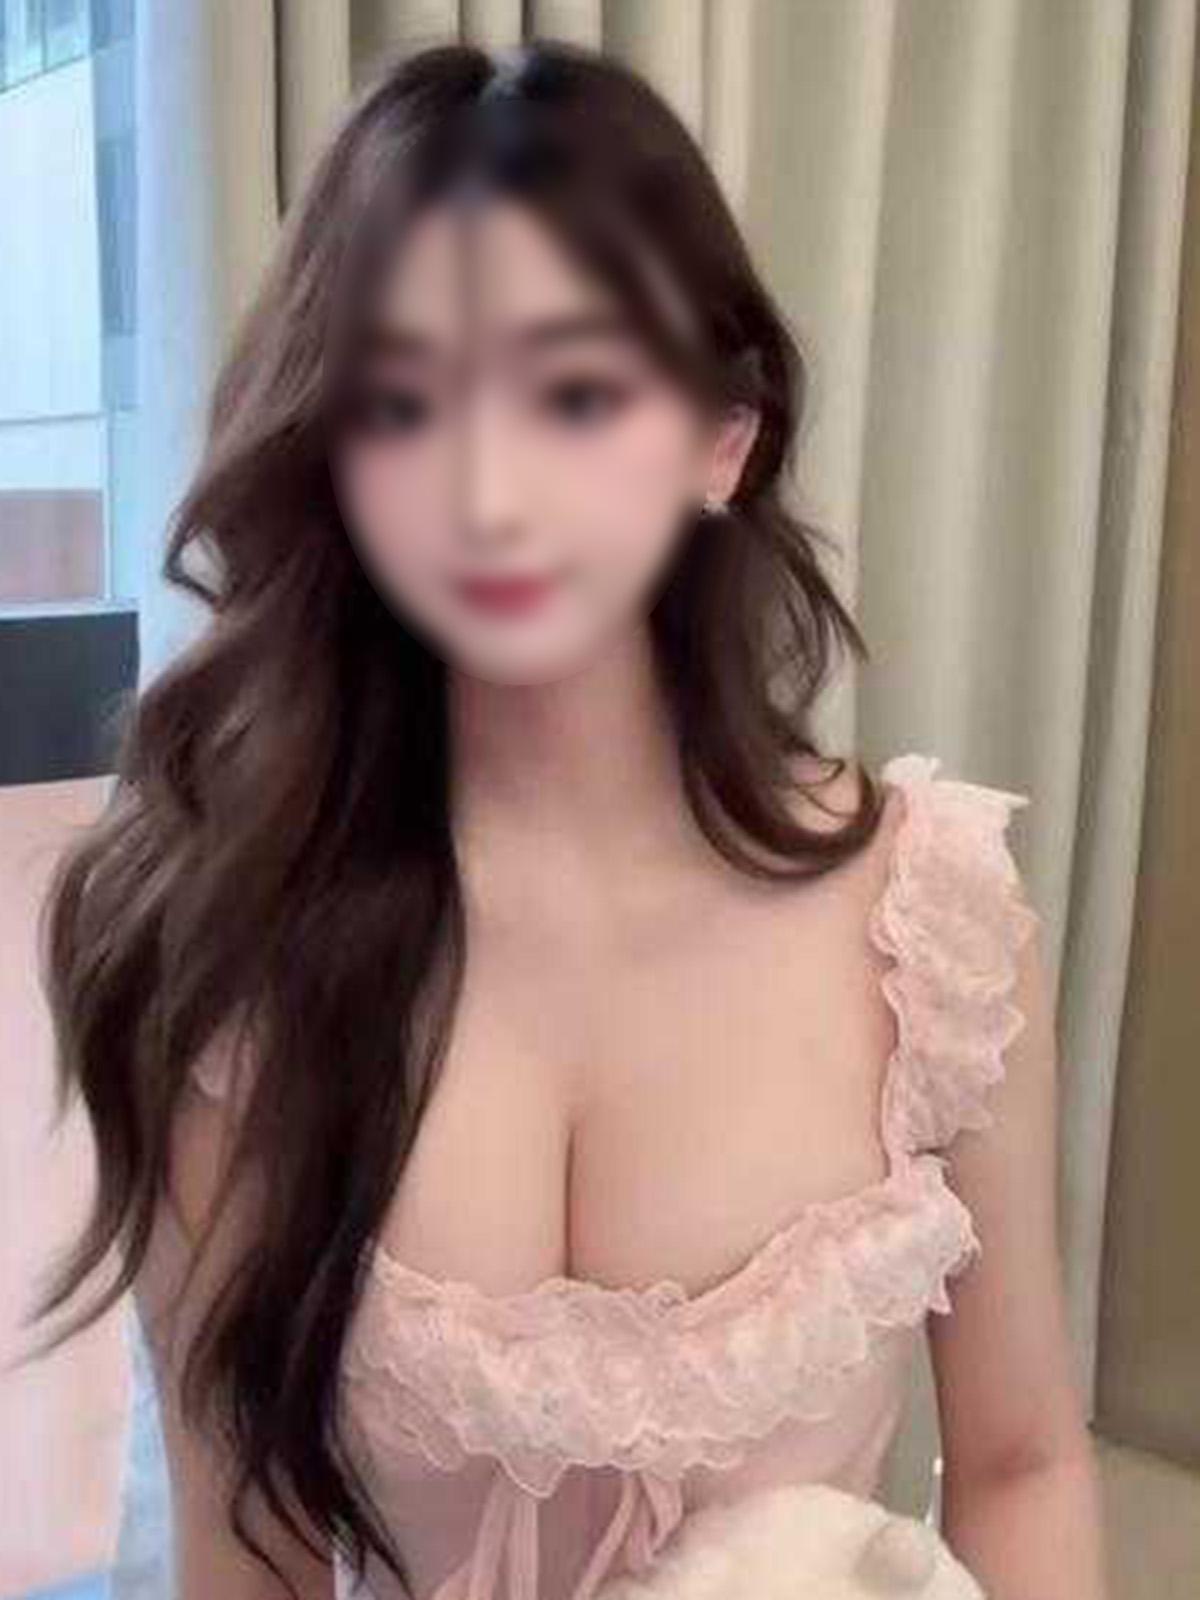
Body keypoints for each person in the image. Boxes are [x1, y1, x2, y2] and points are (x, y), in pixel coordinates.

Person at [33, 38, 1108, 1600]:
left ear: (723, 440)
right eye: (407, 403)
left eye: (577, 393)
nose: (489, 491)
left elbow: (1023, 1461)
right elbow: (245, 1554)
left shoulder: (929, 924)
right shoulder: (224, 950)